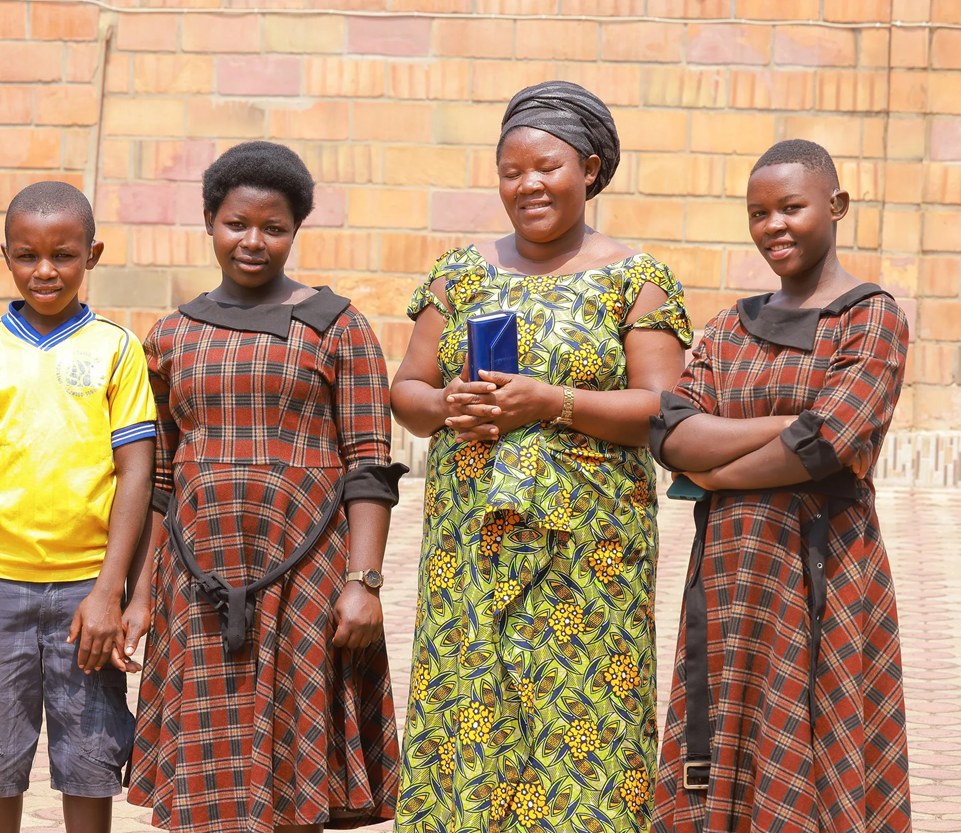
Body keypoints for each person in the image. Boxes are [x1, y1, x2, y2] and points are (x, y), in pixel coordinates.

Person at [391, 81, 692, 833]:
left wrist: (552, 402)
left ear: (590, 170)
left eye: (547, 167)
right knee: (472, 716)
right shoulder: (459, 274)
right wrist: (448, 405)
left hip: (590, 559)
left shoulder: (637, 280)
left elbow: (664, 407)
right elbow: (407, 391)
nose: (527, 185)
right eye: (511, 171)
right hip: (470, 553)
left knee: (585, 730)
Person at [123, 140, 407, 833]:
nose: (253, 241)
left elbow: (369, 466)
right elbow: (160, 477)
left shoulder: (337, 328)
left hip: (306, 580)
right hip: (196, 582)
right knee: (204, 779)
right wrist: (140, 593)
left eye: (273, 227)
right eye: (237, 224)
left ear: (295, 229)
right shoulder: (170, 336)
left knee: (296, 774)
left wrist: (363, 582)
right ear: (209, 221)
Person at [649, 139, 912, 832]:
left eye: (791, 207)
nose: (774, 226)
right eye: (758, 213)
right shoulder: (729, 326)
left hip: (824, 571)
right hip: (728, 573)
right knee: (721, 743)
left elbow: (827, 443)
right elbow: (671, 432)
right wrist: (786, 425)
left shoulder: (870, 317)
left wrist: (716, 473)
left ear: (836, 205)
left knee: (814, 745)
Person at [0, 181, 157, 833]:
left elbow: (136, 473)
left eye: (63, 255)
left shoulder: (116, 348)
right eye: (27, 255)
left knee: (90, 755)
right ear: (5, 254)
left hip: (86, 591)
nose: (45, 271)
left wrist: (111, 590)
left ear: (92, 255)